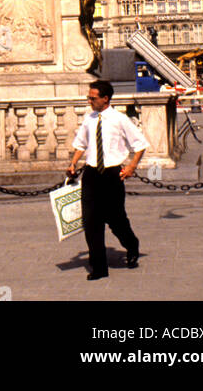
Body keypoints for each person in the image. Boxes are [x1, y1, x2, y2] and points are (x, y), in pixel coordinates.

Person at [67, 80, 146, 281]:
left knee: (116, 220)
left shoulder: (120, 119)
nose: (89, 101)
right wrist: (73, 163)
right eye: (89, 97)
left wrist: (131, 167)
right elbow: (81, 144)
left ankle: (131, 244)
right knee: (91, 222)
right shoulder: (88, 119)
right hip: (92, 174)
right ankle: (99, 267)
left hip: (112, 174)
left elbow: (140, 144)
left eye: (93, 98)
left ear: (105, 98)